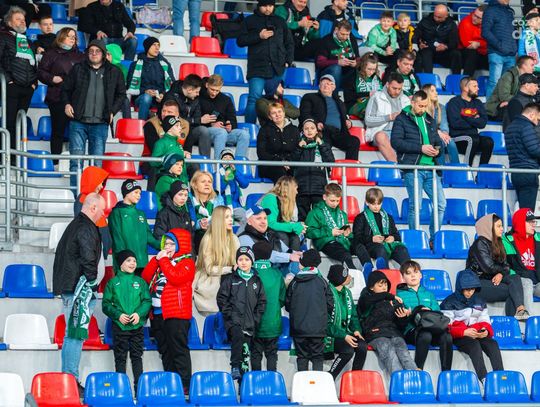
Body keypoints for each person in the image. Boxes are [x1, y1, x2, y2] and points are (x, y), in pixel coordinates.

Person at [53, 193, 105, 391]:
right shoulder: (85, 227)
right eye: (102, 210)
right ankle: (70, 381)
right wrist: (92, 283)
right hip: (79, 290)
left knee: (73, 335)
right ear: (93, 207)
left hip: (71, 286)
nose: (103, 214)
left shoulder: (76, 225)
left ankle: (68, 379)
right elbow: (88, 258)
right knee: (74, 335)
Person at [62, 39, 126, 186]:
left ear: (103, 54)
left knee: (96, 165)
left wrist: (112, 111)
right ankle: (76, 195)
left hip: (100, 123)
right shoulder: (78, 68)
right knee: (75, 163)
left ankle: (92, 196)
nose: (94, 54)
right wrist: (67, 104)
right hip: (78, 122)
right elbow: (65, 89)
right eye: (91, 51)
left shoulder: (114, 71)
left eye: (97, 51)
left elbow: (121, 94)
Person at [142, 228, 195, 393]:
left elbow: (175, 277)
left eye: (172, 244)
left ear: (181, 245)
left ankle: (185, 385)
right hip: (158, 314)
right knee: (165, 351)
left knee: (178, 350)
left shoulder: (187, 263)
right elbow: (145, 277)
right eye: (166, 244)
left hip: (176, 315)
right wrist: (156, 260)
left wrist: (163, 260)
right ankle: (172, 384)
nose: (168, 247)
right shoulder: (163, 262)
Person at [391, 90, 446, 241]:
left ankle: (434, 239)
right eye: (420, 106)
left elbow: (437, 142)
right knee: (416, 206)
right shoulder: (401, 119)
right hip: (413, 169)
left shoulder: (429, 120)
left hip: (431, 169)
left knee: (441, 204)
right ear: (413, 103)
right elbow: (396, 142)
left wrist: (437, 150)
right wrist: (421, 148)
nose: (423, 109)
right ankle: (415, 240)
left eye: (425, 106)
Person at [440, 268, 504, 385]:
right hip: (459, 336)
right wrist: (464, 332)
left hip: (476, 333)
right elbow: (446, 326)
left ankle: (500, 376)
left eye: (473, 289)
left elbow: (484, 319)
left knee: (493, 344)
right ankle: (484, 379)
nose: (470, 292)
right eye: (467, 289)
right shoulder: (448, 302)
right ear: (460, 288)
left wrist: (485, 331)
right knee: (474, 345)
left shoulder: (480, 300)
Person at [237, 0, 294, 124]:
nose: (268, 8)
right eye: (265, 6)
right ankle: (250, 129)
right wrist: (259, 36)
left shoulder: (280, 21)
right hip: (257, 67)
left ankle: (272, 130)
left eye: (270, 5)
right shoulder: (249, 20)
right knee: (253, 99)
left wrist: (288, 61)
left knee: (274, 101)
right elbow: (240, 41)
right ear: (259, 5)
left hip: (277, 67)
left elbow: (289, 43)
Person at [102, 250, 151, 393]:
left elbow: (146, 301)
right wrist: (118, 315)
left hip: (137, 327)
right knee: (120, 358)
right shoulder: (113, 283)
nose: (132, 263)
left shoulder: (140, 282)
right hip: (120, 327)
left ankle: (139, 390)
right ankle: (121, 391)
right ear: (121, 264)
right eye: (128, 260)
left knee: (137, 357)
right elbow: (106, 304)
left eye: (134, 261)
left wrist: (138, 314)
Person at [218, 246, 267, 380]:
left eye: (246, 259)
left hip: (249, 324)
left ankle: (243, 384)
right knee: (237, 336)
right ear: (237, 262)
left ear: (252, 261)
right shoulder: (230, 279)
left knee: (245, 355)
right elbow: (221, 299)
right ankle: (234, 366)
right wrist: (229, 315)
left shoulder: (257, 281)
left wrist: (256, 319)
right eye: (240, 259)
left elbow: (262, 302)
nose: (243, 262)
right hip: (234, 322)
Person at [467, 214, 529, 319]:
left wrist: (500, 273)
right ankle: (512, 320)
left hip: (491, 279)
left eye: (502, 226)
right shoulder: (480, 243)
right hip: (477, 283)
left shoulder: (498, 242)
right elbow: (489, 267)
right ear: (489, 227)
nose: (502, 229)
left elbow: (507, 266)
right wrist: (501, 271)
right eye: (498, 226)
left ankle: (520, 310)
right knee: (513, 290)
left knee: (515, 277)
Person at [38, 27, 85, 162]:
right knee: (58, 131)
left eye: (74, 37)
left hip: (77, 98)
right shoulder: (51, 54)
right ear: (61, 37)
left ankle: (75, 164)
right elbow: (40, 72)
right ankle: (56, 163)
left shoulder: (81, 55)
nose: (72, 39)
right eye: (69, 36)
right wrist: (52, 78)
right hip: (57, 97)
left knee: (77, 133)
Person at [396, 260, 453, 371]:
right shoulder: (399, 295)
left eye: (415, 272)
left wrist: (429, 310)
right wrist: (405, 316)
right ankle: (418, 369)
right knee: (426, 335)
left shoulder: (429, 294)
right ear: (403, 277)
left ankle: (446, 373)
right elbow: (397, 319)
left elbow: (438, 312)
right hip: (411, 330)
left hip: (431, 327)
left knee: (447, 337)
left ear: (421, 275)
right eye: (408, 273)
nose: (413, 275)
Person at [357, 270, 417, 374]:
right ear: (371, 287)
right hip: (375, 335)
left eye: (385, 284)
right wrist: (390, 296)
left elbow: (401, 326)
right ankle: (398, 380)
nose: (384, 287)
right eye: (380, 285)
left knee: (405, 354)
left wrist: (402, 318)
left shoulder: (393, 301)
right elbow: (368, 301)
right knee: (390, 354)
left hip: (394, 333)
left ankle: (415, 377)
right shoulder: (366, 299)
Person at [285, 249, 333, 371]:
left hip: (299, 328)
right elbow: (330, 304)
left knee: (302, 357)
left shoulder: (294, 282)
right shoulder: (322, 281)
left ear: (302, 263)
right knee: (317, 357)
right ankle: (317, 383)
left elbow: (288, 305)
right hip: (318, 329)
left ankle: (302, 383)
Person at [0, 7, 37, 155]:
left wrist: (34, 84)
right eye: (18, 19)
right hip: (12, 86)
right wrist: (8, 81)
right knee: (9, 123)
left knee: (18, 124)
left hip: (28, 88)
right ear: (9, 22)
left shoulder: (28, 41)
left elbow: (34, 64)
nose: (22, 22)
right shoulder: (3, 37)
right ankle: (6, 157)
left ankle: (14, 156)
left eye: (23, 19)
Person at [299, 74, 360, 160]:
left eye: (328, 83)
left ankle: (350, 168)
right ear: (319, 86)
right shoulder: (310, 97)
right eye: (323, 83)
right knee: (324, 145)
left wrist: (348, 122)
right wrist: (315, 123)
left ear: (333, 87)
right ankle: (326, 168)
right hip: (322, 131)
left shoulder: (340, 102)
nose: (325, 85)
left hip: (339, 133)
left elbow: (345, 117)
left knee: (354, 141)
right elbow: (305, 113)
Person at [194, 206, 239, 314]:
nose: (231, 220)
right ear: (218, 220)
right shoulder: (208, 239)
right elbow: (210, 269)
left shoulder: (234, 238)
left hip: (228, 279)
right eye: (227, 217)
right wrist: (230, 269)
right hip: (211, 281)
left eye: (231, 217)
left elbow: (237, 263)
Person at [108, 179, 160, 273]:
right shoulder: (116, 213)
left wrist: (162, 245)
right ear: (127, 193)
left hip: (142, 263)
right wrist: (123, 260)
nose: (139, 195)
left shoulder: (141, 213)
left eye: (140, 193)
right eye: (136, 192)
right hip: (125, 264)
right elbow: (117, 240)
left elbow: (148, 236)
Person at [325, 264, 368, 379]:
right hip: (331, 335)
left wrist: (357, 330)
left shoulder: (347, 292)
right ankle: (331, 375)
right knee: (348, 350)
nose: (350, 277)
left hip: (346, 332)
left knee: (362, 346)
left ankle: (355, 377)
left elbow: (353, 315)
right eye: (346, 275)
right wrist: (344, 336)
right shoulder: (327, 293)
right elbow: (326, 324)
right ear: (339, 279)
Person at [352, 187, 410, 269]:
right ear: (367, 202)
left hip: (388, 245)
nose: (376, 207)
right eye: (373, 204)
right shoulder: (360, 217)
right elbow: (357, 238)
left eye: (378, 204)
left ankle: (409, 271)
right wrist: (372, 239)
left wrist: (392, 238)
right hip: (370, 245)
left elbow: (397, 236)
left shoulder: (388, 217)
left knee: (402, 249)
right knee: (381, 248)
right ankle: (385, 273)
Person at [251, 241, 286, 372]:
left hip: (254, 323)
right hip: (273, 322)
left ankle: (255, 382)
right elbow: (282, 299)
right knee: (272, 355)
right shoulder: (277, 274)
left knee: (255, 354)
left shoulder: (250, 273)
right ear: (270, 254)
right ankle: (271, 382)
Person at [238, 204, 303, 275]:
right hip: (262, 274)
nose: (263, 221)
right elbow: (267, 256)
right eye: (258, 218)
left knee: (302, 264)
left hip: (278, 270)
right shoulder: (244, 238)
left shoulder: (270, 233)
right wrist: (289, 256)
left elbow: (286, 250)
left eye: (265, 218)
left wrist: (298, 254)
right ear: (249, 222)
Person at [293, 119, 335, 221]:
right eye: (306, 128)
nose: (309, 131)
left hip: (319, 188)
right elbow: (292, 162)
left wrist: (322, 145)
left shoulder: (323, 144)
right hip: (302, 187)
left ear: (316, 130)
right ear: (302, 131)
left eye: (312, 128)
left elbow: (330, 161)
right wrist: (299, 148)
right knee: (303, 217)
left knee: (319, 218)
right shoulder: (298, 145)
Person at [141, 100, 189, 189]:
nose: (165, 114)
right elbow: (154, 152)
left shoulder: (184, 126)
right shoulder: (150, 124)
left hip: (174, 162)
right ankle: (153, 194)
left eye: (169, 112)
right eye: (163, 111)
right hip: (149, 160)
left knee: (191, 166)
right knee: (155, 170)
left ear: (177, 115)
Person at [199, 74, 249, 159]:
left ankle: (238, 165)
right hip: (206, 133)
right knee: (221, 132)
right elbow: (196, 121)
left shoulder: (226, 99)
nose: (214, 93)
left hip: (224, 132)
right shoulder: (198, 97)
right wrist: (211, 125)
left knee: (244, 134)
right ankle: (219, 165)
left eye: (217, 90)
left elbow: (233, 119)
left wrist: (230, 125)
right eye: (212, 89)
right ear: (207, 85)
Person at [305, 183, 355, 269]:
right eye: (332, 200)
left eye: (338, 201)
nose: (335, 204)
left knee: (360, 247)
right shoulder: (315, 212)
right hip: (325, 242)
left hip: (342, 241)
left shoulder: (342, 214)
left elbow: (347, 234)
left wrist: (348, 234)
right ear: (324, 197)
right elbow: (309, 232)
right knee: (345, 255)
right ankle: (354, 274)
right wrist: (330, 232)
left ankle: (370, 269)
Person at [365, 72, 410, 162]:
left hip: (400, 134)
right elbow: (368, 120)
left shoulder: (405, 99)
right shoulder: (376, 97)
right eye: (394, 88)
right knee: (381, 136)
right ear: (387, 84)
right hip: (382, 132)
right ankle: (398, 166)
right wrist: (389, 117)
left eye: (400, 89)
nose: (397, 91)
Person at [126, 36, 174, 120]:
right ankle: (142, 124)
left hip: (160, 97)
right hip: (141, 97)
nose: (157, 48)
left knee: (172, 99)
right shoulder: (135, 65)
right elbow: (129, 84)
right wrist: (145, 91)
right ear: (147, 47)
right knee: (146, 97)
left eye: (158, 45)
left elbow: (172, 84)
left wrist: (163, 94)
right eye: (154, 45)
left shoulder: (165, 64)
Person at [446, 77, 491, 167]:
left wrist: (465, 117)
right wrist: (474, 119)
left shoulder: (478, 103)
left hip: (474, 138)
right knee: (472, 140)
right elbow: (455, 123)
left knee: (488, 142)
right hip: (458, 139)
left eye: (477, 86)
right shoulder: (454, 102)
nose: (478, 88)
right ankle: (467, 169)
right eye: (474, 86)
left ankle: (482, 170)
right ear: (465, 88)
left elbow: (483, 123)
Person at [164, 74, 212, 158]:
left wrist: (196, 121)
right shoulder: (171, 97)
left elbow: (197, 115)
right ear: (189, 90)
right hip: (173, 129)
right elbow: (173, 120)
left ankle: (206, 162)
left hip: (190, 129)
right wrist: (197, 120)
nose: (198, 94)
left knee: (203, 130)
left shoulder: (194, 98)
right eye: (196, 92)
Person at [505, 103, 540, 209]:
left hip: (516, 172)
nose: (537, 123)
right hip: (528, 173)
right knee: (527, 212)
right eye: (538, 119)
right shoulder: (527, 127)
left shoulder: (510, 126)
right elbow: (535, 150)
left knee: (523, 211)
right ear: (532, 115)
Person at [482, 0, 518, 98]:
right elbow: (485, 32)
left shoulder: (510, 12)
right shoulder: (490, 10)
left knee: (507, 85)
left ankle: (503, 107)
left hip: (510, 54)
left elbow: (514, 32)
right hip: (496, 53)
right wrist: (499, 45)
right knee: (494, 83)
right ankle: (490, 107)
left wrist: (514, 47)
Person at [503, 208, 540, 304]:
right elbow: (504, 266)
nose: (533, 224)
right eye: (530, 222)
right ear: (520, 223)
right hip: (520, 282)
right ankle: (525, 314)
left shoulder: (538, 238)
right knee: (527, 283)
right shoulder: (506, 241)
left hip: (537, 283)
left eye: (534, 221)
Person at [256, 102, 300, 183]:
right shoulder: (264, 130)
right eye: (273, 113)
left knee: (301, 174)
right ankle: (283, 192)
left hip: (290, 164)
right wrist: (280, 161)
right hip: (270, 165)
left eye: (279, 111)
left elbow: (297, 150)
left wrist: (288, 162)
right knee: (281, 173)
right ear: (270, 117)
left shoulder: (294, 130)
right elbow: (261, 153)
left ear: (284, 113)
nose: (277, 115)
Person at [261, 176, 306, 252]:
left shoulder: (286, 201)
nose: (297, 192)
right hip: (265, 231)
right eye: (296, 189)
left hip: (276, 230)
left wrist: (297, 225)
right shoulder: (270, 198)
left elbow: (286, 222)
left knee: (295, 238)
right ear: (289, 190)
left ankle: (294, 259)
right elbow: (270, 224)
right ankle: (281, 259)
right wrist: (293, 226)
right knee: (282, 236)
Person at [315, 20, 359, 91]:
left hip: (346, 74)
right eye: (342, 34)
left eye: (347, 34)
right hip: (329, 74)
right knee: (336, 68)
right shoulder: (326, 40)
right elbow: (320, 63)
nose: (345, 37)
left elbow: (358, 58)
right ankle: (335, 95)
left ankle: (353, 95)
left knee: (361, 67)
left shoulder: (352, 40)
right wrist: (337, 62)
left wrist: (356, 63)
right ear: (336, 30)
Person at [486, 55, 535, 121]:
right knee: (515, 106)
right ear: (524, 65)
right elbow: (504, 96)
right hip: (496, 108)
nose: (534, 68)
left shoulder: (528, 78)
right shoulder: (508, 75)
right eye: (532, 65)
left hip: (513, 105)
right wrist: (520, 101)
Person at [416, 4, 461, 74]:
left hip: (444, 52)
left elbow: (454, 42)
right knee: (425, 53)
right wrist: (419, 44)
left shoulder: (451, 24)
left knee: (456, 54)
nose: (436, 19)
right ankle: (429, 78)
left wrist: (446, 46)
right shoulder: (425, 21)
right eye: (435, 16)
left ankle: (456, 78)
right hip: (428, 49)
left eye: (439, 17)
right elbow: (416, 35)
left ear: (446, 16)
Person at [422, 83, 459, 164]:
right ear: (426, 93)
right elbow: (425, 126)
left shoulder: (441, 107)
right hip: (426, 136)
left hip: (440, 135)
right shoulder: (422, 107)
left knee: (450, 142)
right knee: (439, 142)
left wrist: (445, 134)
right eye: (432, 91)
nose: (436, 93)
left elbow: (444, 125)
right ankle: (440, 169)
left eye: (436, 90)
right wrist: (438, 132)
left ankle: (457, 168)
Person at [190, 170, 225, 253]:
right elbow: (186, 221)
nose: (207, 184)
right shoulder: (189, 200)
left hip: (215, 234)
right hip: (196, 236)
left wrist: (212, 224)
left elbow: (223, 219)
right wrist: (199, 224)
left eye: (209, 182)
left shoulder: (218, 199)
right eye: (203, 182)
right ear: (195, 185)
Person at [343, 52, 382, 119]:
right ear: (363, 65)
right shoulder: (352, 76)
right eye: (369, 69)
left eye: (373, 69)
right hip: (355, 104)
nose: (371, 72)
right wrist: (368, 94)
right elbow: (348, 97)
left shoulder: (376, 78)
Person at [150, 115, 188, 184]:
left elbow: (182, 164)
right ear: (169, 129)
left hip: (181, 181)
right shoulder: (161, 143)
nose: (180, 128)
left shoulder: (178, 144)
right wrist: (169, 157)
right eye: (177, 126)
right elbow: (153, 162)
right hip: (168, 181)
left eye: (180, 125)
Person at [217, 149, 248, 227]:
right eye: (225, 157)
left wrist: (235, 172)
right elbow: (218, 190)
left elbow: (245, 184)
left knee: (248, 217)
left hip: (236, 206)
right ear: (220, 161)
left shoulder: (235, 173)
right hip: (223, 206)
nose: (228, 159)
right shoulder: (217, 174)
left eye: (230, 157)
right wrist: (226, 179)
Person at [458, 6, 488, 77]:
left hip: (484, 52)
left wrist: (479, 44)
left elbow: (494, 42)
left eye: (478, 18)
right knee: (472, 53)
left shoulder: (490, 24)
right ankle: (466, 80)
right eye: (474, 15)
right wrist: (485, 44)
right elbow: (468, 45)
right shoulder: (465, 22)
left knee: (497, 55)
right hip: (466, 53)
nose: (474, 18)